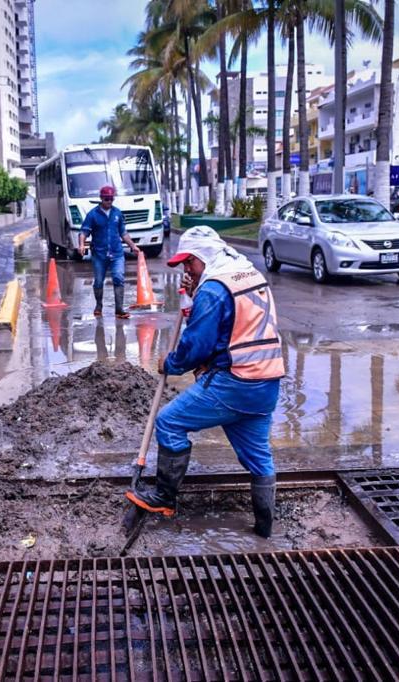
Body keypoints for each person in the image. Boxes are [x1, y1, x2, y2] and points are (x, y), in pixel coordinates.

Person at [125, 226, 284, 537]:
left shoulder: (213, 289)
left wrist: (169, 364)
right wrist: (197, 289)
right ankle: (265, 530)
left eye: (190, 262)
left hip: (234, 382)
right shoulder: (247, 273)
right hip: (265, 384)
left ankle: (165, 497)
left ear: (205, 257)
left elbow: (196, 346)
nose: (187, 268)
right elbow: (233, 321)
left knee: (169, 422)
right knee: (258, 458)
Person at [78, 185, 140, 319]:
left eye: (111, 199)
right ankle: (99, 305)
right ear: (101, 199)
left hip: (117, 253)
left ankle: (119, 309)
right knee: (99, 281)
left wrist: (133, 246)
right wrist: (81, 245)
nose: (109, 202)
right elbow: (83, 232)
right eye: (106, 199)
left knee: (118, 278)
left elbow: (124, 233)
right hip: (99, 254)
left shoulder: (117, 213)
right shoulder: (93, 214)